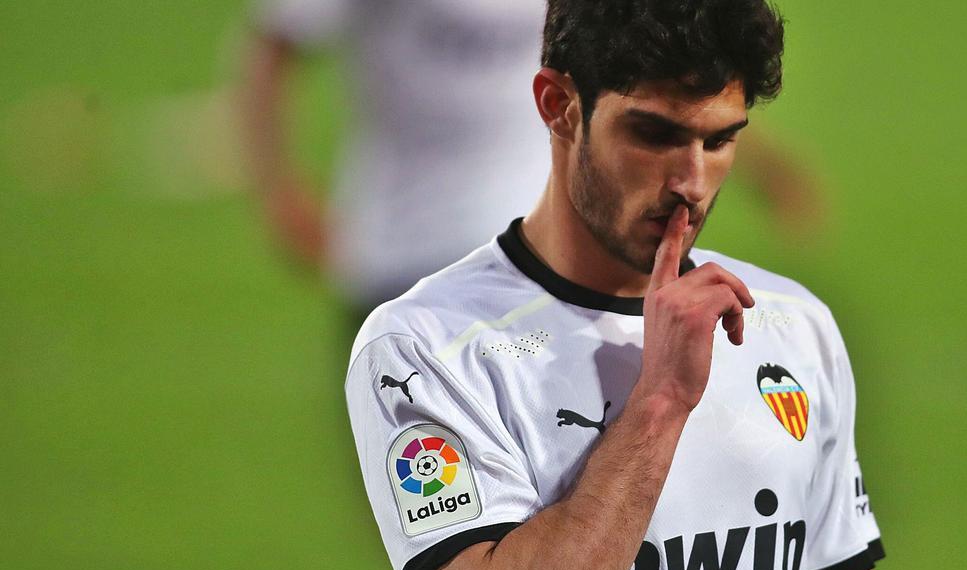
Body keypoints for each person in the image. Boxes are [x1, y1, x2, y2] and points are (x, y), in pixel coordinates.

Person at [345, 1, 921, 570]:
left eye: (719, 140)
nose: (691, 184)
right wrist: (660, 400)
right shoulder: (425, 350)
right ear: (558, 104)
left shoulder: (790, 326)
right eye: (653, 134)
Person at [240, 0, 819, 339]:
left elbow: (658, 70)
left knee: (552, 501)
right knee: (435, 519)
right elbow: (275, 49)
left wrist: (759, 162)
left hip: (533, 241)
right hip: (403, 250)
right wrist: (281, 194)